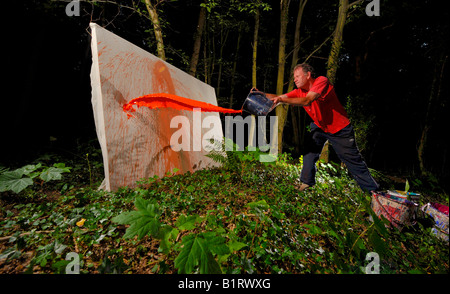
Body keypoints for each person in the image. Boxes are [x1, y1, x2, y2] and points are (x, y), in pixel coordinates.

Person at [265, 63, 379, 193]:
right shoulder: (299, 91)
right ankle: (306, 182)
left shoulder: (321, 81)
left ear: (308, 75)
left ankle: (373, 191)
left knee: (352, 160)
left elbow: (308, 100)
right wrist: (259, 94)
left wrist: (280, 100)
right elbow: (278, 97)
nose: (294, 79)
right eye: (294, 77)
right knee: (309, 150)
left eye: (297, 76)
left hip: (339, 129)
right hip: (320, 127)